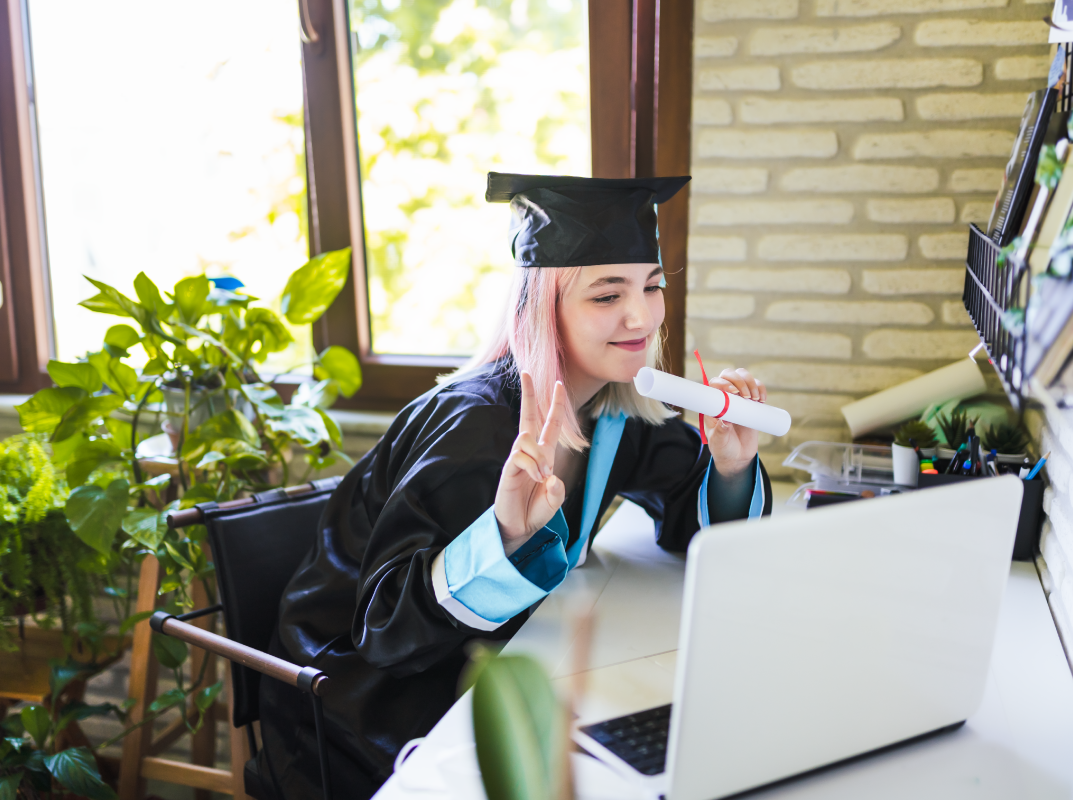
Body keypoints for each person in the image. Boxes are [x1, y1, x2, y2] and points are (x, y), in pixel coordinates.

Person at [257, 173, 773, 799]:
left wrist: (729, 466)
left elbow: (684, 515)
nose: (642, 315)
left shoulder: (615, 407)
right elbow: (385, 628)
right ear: (542, 307)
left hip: (500, 659)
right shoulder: (475, 431)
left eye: (653, 285)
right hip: (364, 705)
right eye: (606, 296)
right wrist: (503, 534)